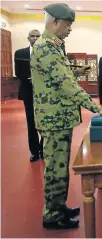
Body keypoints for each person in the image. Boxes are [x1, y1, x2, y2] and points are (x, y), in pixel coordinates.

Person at [30, 3, 102, 229]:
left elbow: (63, 77)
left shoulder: (55, 46)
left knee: (61, 166)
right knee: (54, 168)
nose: (70, 28)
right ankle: (51, 215)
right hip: (54, 118)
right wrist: (96, 107)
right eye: (67, 24)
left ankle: (58, 206)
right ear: (54, 22)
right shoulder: (45, 47)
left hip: (60, 117)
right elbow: (66, 84)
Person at [14, 29, 43, 162]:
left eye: (38, 36)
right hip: (28, 92)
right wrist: (30, 78)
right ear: (28, 38)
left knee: (44, 121)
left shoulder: (47, 52)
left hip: (44, 93)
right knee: (31, 122)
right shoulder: (20, 53)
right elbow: (18, 73)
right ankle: (34, 152)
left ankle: (43, 149)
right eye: (33, 36)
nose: (35, 38)